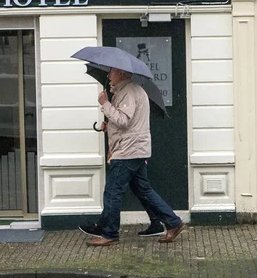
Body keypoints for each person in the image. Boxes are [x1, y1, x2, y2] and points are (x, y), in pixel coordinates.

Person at [79, 67, 186, 246]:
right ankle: (173, 222)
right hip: (134, 149)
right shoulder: (129, 91)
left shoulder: (129, 91)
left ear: (122, 73)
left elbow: (123, 120)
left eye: (111, 72)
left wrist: (105, 103)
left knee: (113, 192)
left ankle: (109, 233)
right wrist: (109, 124)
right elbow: (123, 120)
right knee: (143, 190)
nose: (108, 75)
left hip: (127, 151)